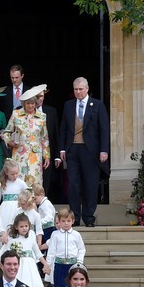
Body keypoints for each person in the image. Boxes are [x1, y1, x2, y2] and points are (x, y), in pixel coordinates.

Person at [59, 77, 110, 227]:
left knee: (90, 184)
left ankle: (89, 217)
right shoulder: (68, 105)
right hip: (73, 149)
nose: (78, 92)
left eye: (81, 89)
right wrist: (62, 148)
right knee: (74, 184)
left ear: (87, 89)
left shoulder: (98, 105)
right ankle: (74, 217)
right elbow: (63, 129)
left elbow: (104, 129)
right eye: (76, 89)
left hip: (91, 151)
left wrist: (104, 150)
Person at [44, 207, 85, 287]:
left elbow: (81, 249)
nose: (66, 223)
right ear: (59, 221)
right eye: (63, 221)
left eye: (68, 221)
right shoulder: (55, 234)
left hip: (72, 265)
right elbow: (51, 251)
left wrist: (79, 262)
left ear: (73, 221)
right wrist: (48, 265)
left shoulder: (76, 235)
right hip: (59, 265)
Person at [0, 213, 44, 287]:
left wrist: (45, 264)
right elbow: (5, 252)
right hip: (17, 265)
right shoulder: (11, 238)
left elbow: (37, 253)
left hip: (29, 265)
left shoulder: (31, 236)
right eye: (21, 226)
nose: (24, 228)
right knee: (17, 286)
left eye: (26, 226)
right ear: (16, 227)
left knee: (28, 286)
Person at [0, 158, 26, 226]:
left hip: (18, 208)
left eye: (16, 173)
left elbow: (28, 195)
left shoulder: (21, 183)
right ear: (6, 173)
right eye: (12, 174)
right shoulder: (2, 184)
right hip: (5, 210)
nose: (15, 176)